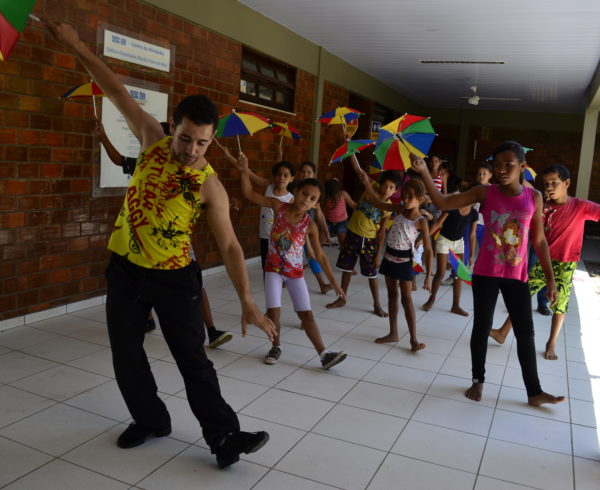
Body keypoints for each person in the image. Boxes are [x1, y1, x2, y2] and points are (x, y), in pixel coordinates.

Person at [44, 20, 276, 469]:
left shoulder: (210, 186)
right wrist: (76, 47)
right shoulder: (152, 140)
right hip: (126, 269)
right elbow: (114, 89)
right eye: (186, 138)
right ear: (175, 127)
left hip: (174, 278)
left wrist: (248, 299)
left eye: (202, 143)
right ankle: (150, 419)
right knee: (126, 352)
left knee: (192, 359)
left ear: (212, 141)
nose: (191, 149)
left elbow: (229, 246)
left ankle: (224, 436)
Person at [411, 141, 565, 407]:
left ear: (522, 167)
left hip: (517, 275)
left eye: (509, 165)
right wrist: (425, 171)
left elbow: (539, 241)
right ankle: (477, 380)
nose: (503, 170)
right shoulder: (485, 192)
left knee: (526, 333)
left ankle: (534, 391)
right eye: (497, 165)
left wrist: (550, 280)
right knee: (481, 327)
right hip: (486, 272)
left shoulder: (534, 197)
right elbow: (443, 201)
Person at [93, 118, 233, 347]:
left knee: (193, 288)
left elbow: (211, 203)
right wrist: (102, 135)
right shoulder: (146, 161)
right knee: (140, 280)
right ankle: (147, 320)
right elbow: (119, 159)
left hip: (175, 248)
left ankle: (211, 329)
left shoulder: (192, 172)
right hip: (139, 242)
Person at [238, 154, 347, 369]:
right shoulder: (278, 207)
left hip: (295, 273)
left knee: (306, 314)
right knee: (274, 311)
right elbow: (249, 193)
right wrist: (244, 171)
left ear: (316, 204)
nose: (307, 199)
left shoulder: (310, 226)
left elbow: (320, 256)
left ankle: (324, 354)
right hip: (273, 270)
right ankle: (275, 346)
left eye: (312, 198)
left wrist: (335, 284)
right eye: (304, 193)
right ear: (295, 192)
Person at [489, 164, 600, 359]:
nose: (549, 187)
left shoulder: (580, 206)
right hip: (543, 261)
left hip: (566, 263)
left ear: (566, 183)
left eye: (554, 183)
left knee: (560, 303)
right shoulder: (541, 205)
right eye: (546, 183)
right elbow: (524, 197)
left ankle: (551, 343)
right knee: (524, 296)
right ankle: (502, 332)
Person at [355, 163, 433, 350]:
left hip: (405, 261)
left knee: (406, 298)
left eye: (410, 197)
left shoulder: (420, 221)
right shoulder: (398, 209)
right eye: (404, 196)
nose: (405, 200)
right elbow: (377, 202)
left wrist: (429, 275)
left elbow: (429, 249)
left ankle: (413, 339)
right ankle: (393, 333)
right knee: (391, 295)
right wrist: (366, 182)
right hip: (390, 256)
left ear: (420, 199)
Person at [325, 165, 401, 317]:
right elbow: (361, 172)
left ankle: (377, 305)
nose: (387, 189)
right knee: (346, 268)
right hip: (352, 234)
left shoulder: (387, 208)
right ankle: (342, 298)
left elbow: (381, 233)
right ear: (380, 183)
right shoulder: (370, 188)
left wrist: (378, 254)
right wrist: (351, 151)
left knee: (371, 274)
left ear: (395, 191)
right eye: (385, 185)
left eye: (391, 187)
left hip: (369, 241)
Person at [422, 181, 478, 316]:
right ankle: (431, 299)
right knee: (441, 272)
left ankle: (455, 305)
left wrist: (471, 255)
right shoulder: (454, 206)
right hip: (444, 240)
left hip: (458, 243)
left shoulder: (474, 213)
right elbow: (438, 223)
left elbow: (472, 235)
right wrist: (424, 238)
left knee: (459, 275)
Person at [323, 178, 356, 247]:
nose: (333, 198)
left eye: (334, 196)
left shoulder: (343, 194)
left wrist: (362, 207)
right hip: (329, 221)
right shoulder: (325, 197)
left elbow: (353, 205)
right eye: (330, 197)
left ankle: (344, 254)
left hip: (342, 222)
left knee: (342, 241)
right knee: (321, 237)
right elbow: (324, 209)